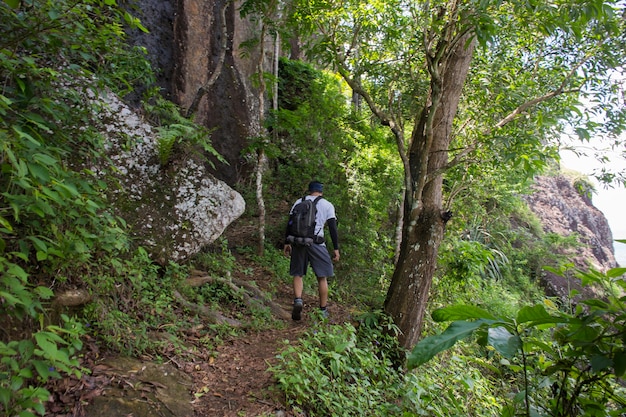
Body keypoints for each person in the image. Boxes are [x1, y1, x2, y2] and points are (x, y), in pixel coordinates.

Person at [283, 181, 340, 320]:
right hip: (317, 243)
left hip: (298, 242)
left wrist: (287, 242)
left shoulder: (299, 201)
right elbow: (333, 228)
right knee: (322, 277)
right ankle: (322, 309)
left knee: (297, 273)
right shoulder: (327, 205)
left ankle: (298, 300)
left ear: (309, 190)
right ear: (321, 191)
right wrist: (336, 248)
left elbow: (290, 223)